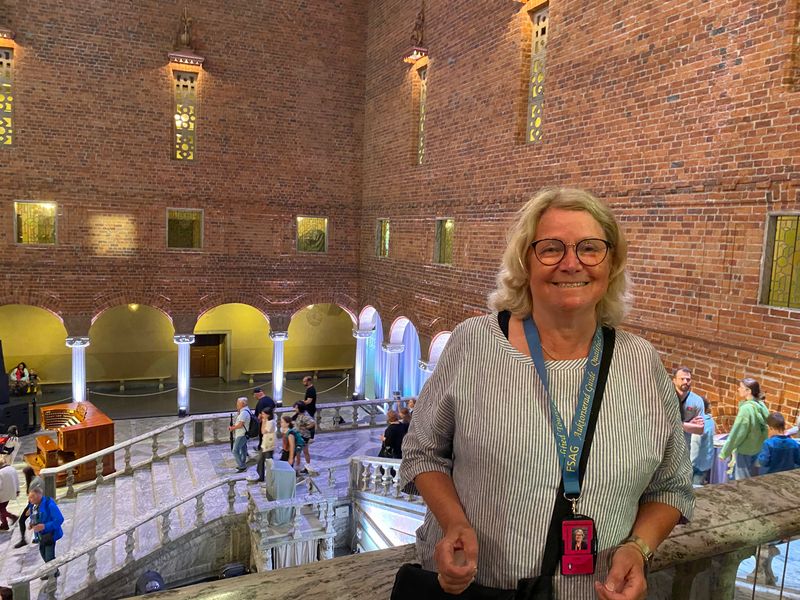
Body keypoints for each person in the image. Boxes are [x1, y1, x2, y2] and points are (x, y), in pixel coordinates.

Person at [399, 188, 694, 599]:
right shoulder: (474, 344)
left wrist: (638, 547)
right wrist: (454, 523)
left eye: (590, 248)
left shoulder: (641, 363)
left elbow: (672, 486)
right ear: (524, 262)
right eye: (551, 248)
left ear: (611, 262)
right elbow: (422, 453)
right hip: (479, 587)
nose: (571, 263)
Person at [720, 378, 769, 480]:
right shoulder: (761, 405)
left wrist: (725, 452)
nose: (738, 389)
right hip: (757, 449)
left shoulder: (746, 409)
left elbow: (737, 433)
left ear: (748, 391)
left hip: (745, 451)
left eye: (741, 387)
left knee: (742, 483)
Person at [27, 487, 64, 578]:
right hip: (40, 535)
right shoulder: (34, 506)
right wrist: (31, 524)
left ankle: (53, 573)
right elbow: (35, 517)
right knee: (42, 552)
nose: (30, 499)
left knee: (49, 556)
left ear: (39, 495)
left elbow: (59, 519)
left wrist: (45, 526)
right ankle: (52, 571)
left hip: (50, 535)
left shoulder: (49, 505)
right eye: (29, 497)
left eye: (32, 497)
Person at [673, 367, 705, 447]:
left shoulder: (697, 400)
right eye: (682, 379)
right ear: (674, 380)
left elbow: (700, 429)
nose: (685, 382)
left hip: (684, 447)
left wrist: (677, 424)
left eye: (688, 379)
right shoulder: (665, 397)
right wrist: (688, 425)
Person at [14, 466, 44, 548]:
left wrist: (29, 508)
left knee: (22, 520)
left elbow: (32, 498)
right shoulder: (38, 478)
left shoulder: (32, 484)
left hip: (34, 503)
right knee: (36, 520)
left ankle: (23, 540)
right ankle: (37, 537)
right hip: (41, 502)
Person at [689, 399, 716, 485]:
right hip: (706, 462)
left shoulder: (698, 422)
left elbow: (695, 444)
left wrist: (690, 463)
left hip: (695, 464)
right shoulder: (710, 421)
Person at [291, 402, 317, 475]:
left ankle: (301, 468)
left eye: (296, 408)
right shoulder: (298, 415)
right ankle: (303, 467)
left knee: (300, 452)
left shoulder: (305, 416)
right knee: (301, 452)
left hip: (303, 437)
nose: (295, 409)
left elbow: (312, 423)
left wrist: (305, 427)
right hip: (299, 435)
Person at [227, 397, 251, 473]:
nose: (236, 404)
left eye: (238, 403)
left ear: (243, 404)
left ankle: (241, 466)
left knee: (235, 450)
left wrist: (232, 428)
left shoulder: (244, 413)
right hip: (244, 434)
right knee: (243, 448)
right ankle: (243, 462)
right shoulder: (245, 410)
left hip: (241, 434)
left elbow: (240, 425)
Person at [256, 409, 277, 483]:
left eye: (263, 414)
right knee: (260, 460)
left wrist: (264, 421)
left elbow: (263, 431)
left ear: (268, 414)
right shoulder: (268, 421)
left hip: (269, 446)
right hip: (264, 444)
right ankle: (260, 476)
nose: (262, 415)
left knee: (269, 463)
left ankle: (271, 478)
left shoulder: (271, 422)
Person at [0, 457, 19, 531]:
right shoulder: (11, 468)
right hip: (11, 491)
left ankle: (12, 517)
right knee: (2, 509)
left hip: (2, 493)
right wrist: (17, 490)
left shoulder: (0, 472)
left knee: (1, 509)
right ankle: (4, 524)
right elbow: (17, 480)